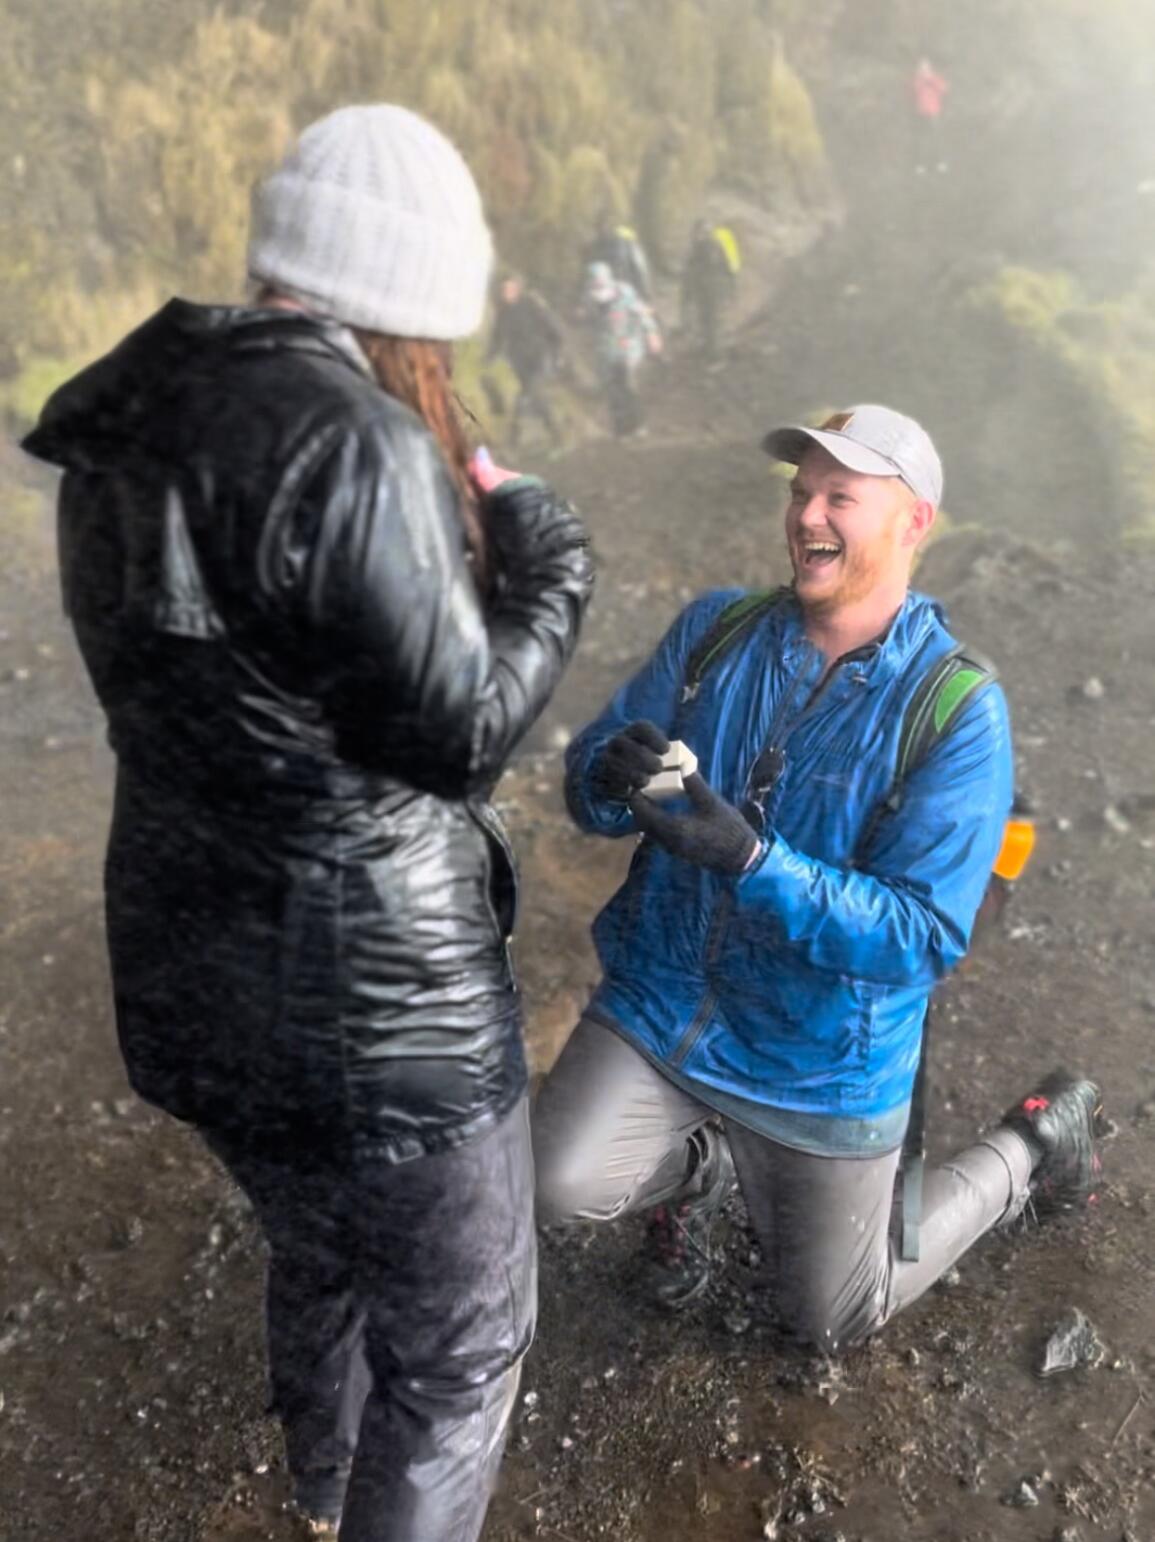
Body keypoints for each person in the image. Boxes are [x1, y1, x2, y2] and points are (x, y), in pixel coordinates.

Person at [23, 104, 594, 1541]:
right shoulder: (357, 443)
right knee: (458, 1345)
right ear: (411, 297)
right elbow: (456, 733)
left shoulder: (124, 433)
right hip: (381, 1012)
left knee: (319, 1245)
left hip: (190, 971)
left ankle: (328, 1494)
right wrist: (552, 569)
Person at [534, 404, 1106, 1353]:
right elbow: (593, 784)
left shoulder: (958, 709)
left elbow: (921, 936)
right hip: (659, 1006)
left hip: (823, 1069)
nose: (806, 517)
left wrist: (755, 864)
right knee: (553, 1182)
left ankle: (1030, 1150)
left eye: (840, 496)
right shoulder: (716, 630)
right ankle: (705, 1169)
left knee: (831, 1317)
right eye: (800, 493)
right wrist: (603, 774)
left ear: (911, 522)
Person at [580, 260, 662, 439]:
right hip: (605, 348)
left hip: (628, 345)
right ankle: (620, 428)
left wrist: (652, 334)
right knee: (612, 389)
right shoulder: (588, 298)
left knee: (627, 384)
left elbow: (643, 314)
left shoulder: (625, 293)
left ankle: (638, 425)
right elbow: (590, 323)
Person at [486, 274, 565, 449]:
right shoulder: (503, 312)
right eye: (503, 290)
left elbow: (554, 329)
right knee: (536, 398)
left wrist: (557, 354)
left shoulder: (532, 305)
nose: (505, 293)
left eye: (509, 289)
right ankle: (557, 436)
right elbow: (497, 337)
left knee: (526, 396)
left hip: (540, 358)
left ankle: (513, 440)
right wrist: (489, 358)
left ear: (518, 289)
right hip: (519, 361)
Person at [680, 219, 740, 360]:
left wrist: (730, 289)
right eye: (696, 233)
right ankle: (710, 350)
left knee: (713, 322)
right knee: (707, 321)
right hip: (707, 291)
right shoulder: (699, 248)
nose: (697, 236)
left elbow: (719, 269)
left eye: (700, 232)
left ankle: (716, 356)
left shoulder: (709, 248)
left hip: (713, 291)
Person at [582, 210, 654, 304]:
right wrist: (646, 295)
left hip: (603, 294)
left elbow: (588, 272)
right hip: (626, 292)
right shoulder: (627, 240)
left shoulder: (595, 244)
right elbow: (639, 268)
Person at [912, 56, 949, 172]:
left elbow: (944, 89)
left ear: (930, 68)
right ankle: (920, 164)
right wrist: (922, 80)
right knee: (922, 139)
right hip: (921, 113)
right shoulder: (916, 79)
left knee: (936, 138)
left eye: (926, 67)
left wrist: (931, 79)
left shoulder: (935, 78)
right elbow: (914, 91)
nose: (924, 70)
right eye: (922, 67)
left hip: (934, 112)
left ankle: (940, 162)